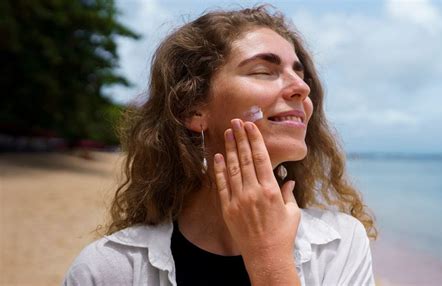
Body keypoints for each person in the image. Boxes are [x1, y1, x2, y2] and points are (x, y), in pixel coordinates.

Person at [63, 5, 377, 286]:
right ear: (193, 109)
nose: (302, 88)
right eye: (264, 71)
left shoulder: (340, 244)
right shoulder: (109, 269)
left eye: (299, 73)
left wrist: (268, 259)